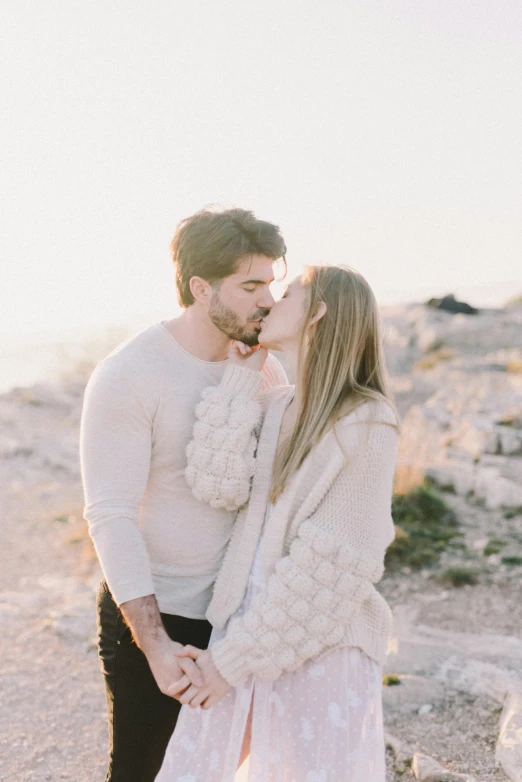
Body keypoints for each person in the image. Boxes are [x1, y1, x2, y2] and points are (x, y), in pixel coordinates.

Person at [156, 265, 400, 782]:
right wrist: (242, 377)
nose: (268, 302)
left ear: (318, 313)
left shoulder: (368, 422)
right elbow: (214, 483)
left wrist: (229, 664)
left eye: (287, 293)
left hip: (320, 650)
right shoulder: (275, 404)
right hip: (242, 632)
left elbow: (329, 574)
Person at [80, 206, 288, 782]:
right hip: (160, 615)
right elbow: (111, 516)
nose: (267, 299)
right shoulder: (131, 373)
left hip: (239, 620)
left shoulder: (263, 368)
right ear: (200, 287)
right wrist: (155, 644)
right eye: (250, 285)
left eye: (271, 282)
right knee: (141, 773)